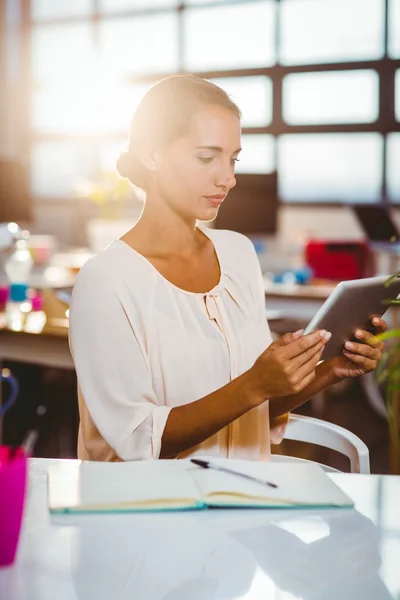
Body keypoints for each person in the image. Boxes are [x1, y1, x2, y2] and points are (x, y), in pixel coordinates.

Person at [69, 74, 386, 462]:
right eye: (207, 157)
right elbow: (139, 441)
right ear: (153, 154)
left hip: (243, 495)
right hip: (151, 509)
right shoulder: (106, 280)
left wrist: (330, 369)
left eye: (233, 159)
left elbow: (253, 407)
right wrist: (255, 384)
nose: (228, 179)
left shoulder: (237, 254)